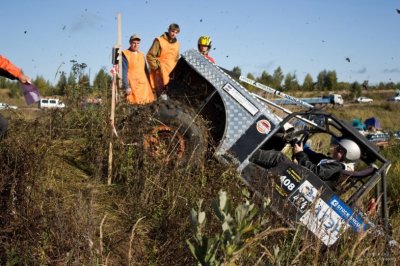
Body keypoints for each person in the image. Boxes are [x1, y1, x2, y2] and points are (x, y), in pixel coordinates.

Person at [250, 138, 361, 181]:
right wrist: (301, 145)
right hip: (304, 178)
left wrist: (300, 154)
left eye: (340, 151)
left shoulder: (337, 167)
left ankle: (248, 154)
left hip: (305, 181)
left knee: (278, 158)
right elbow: (315, 155)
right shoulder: (331, 161)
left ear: (346, 157)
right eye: (337, 147)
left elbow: (317, 172)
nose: (336, 150)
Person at [146, 23, 180, 97]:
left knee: (170, 98)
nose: (174, 34)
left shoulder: (177, 44)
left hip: (171, 74)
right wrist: (157, 68)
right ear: (168, 30)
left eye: (176, 32)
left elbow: (176, 59)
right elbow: (150, 56)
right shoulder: (159, 40)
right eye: (173, 31)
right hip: (160, 73)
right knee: (160, 97)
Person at [122, 34, 155, 104]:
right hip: (132, 85)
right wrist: (126, 86)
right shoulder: (125, 54)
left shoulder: (142, 55)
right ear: (130, 43)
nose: (136, 45)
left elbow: (146, 71)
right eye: (134, 43)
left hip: (144, 86)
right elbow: (124, 72)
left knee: (147, 104)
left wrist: (150, 84)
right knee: (134, 105)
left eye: (138, 43)